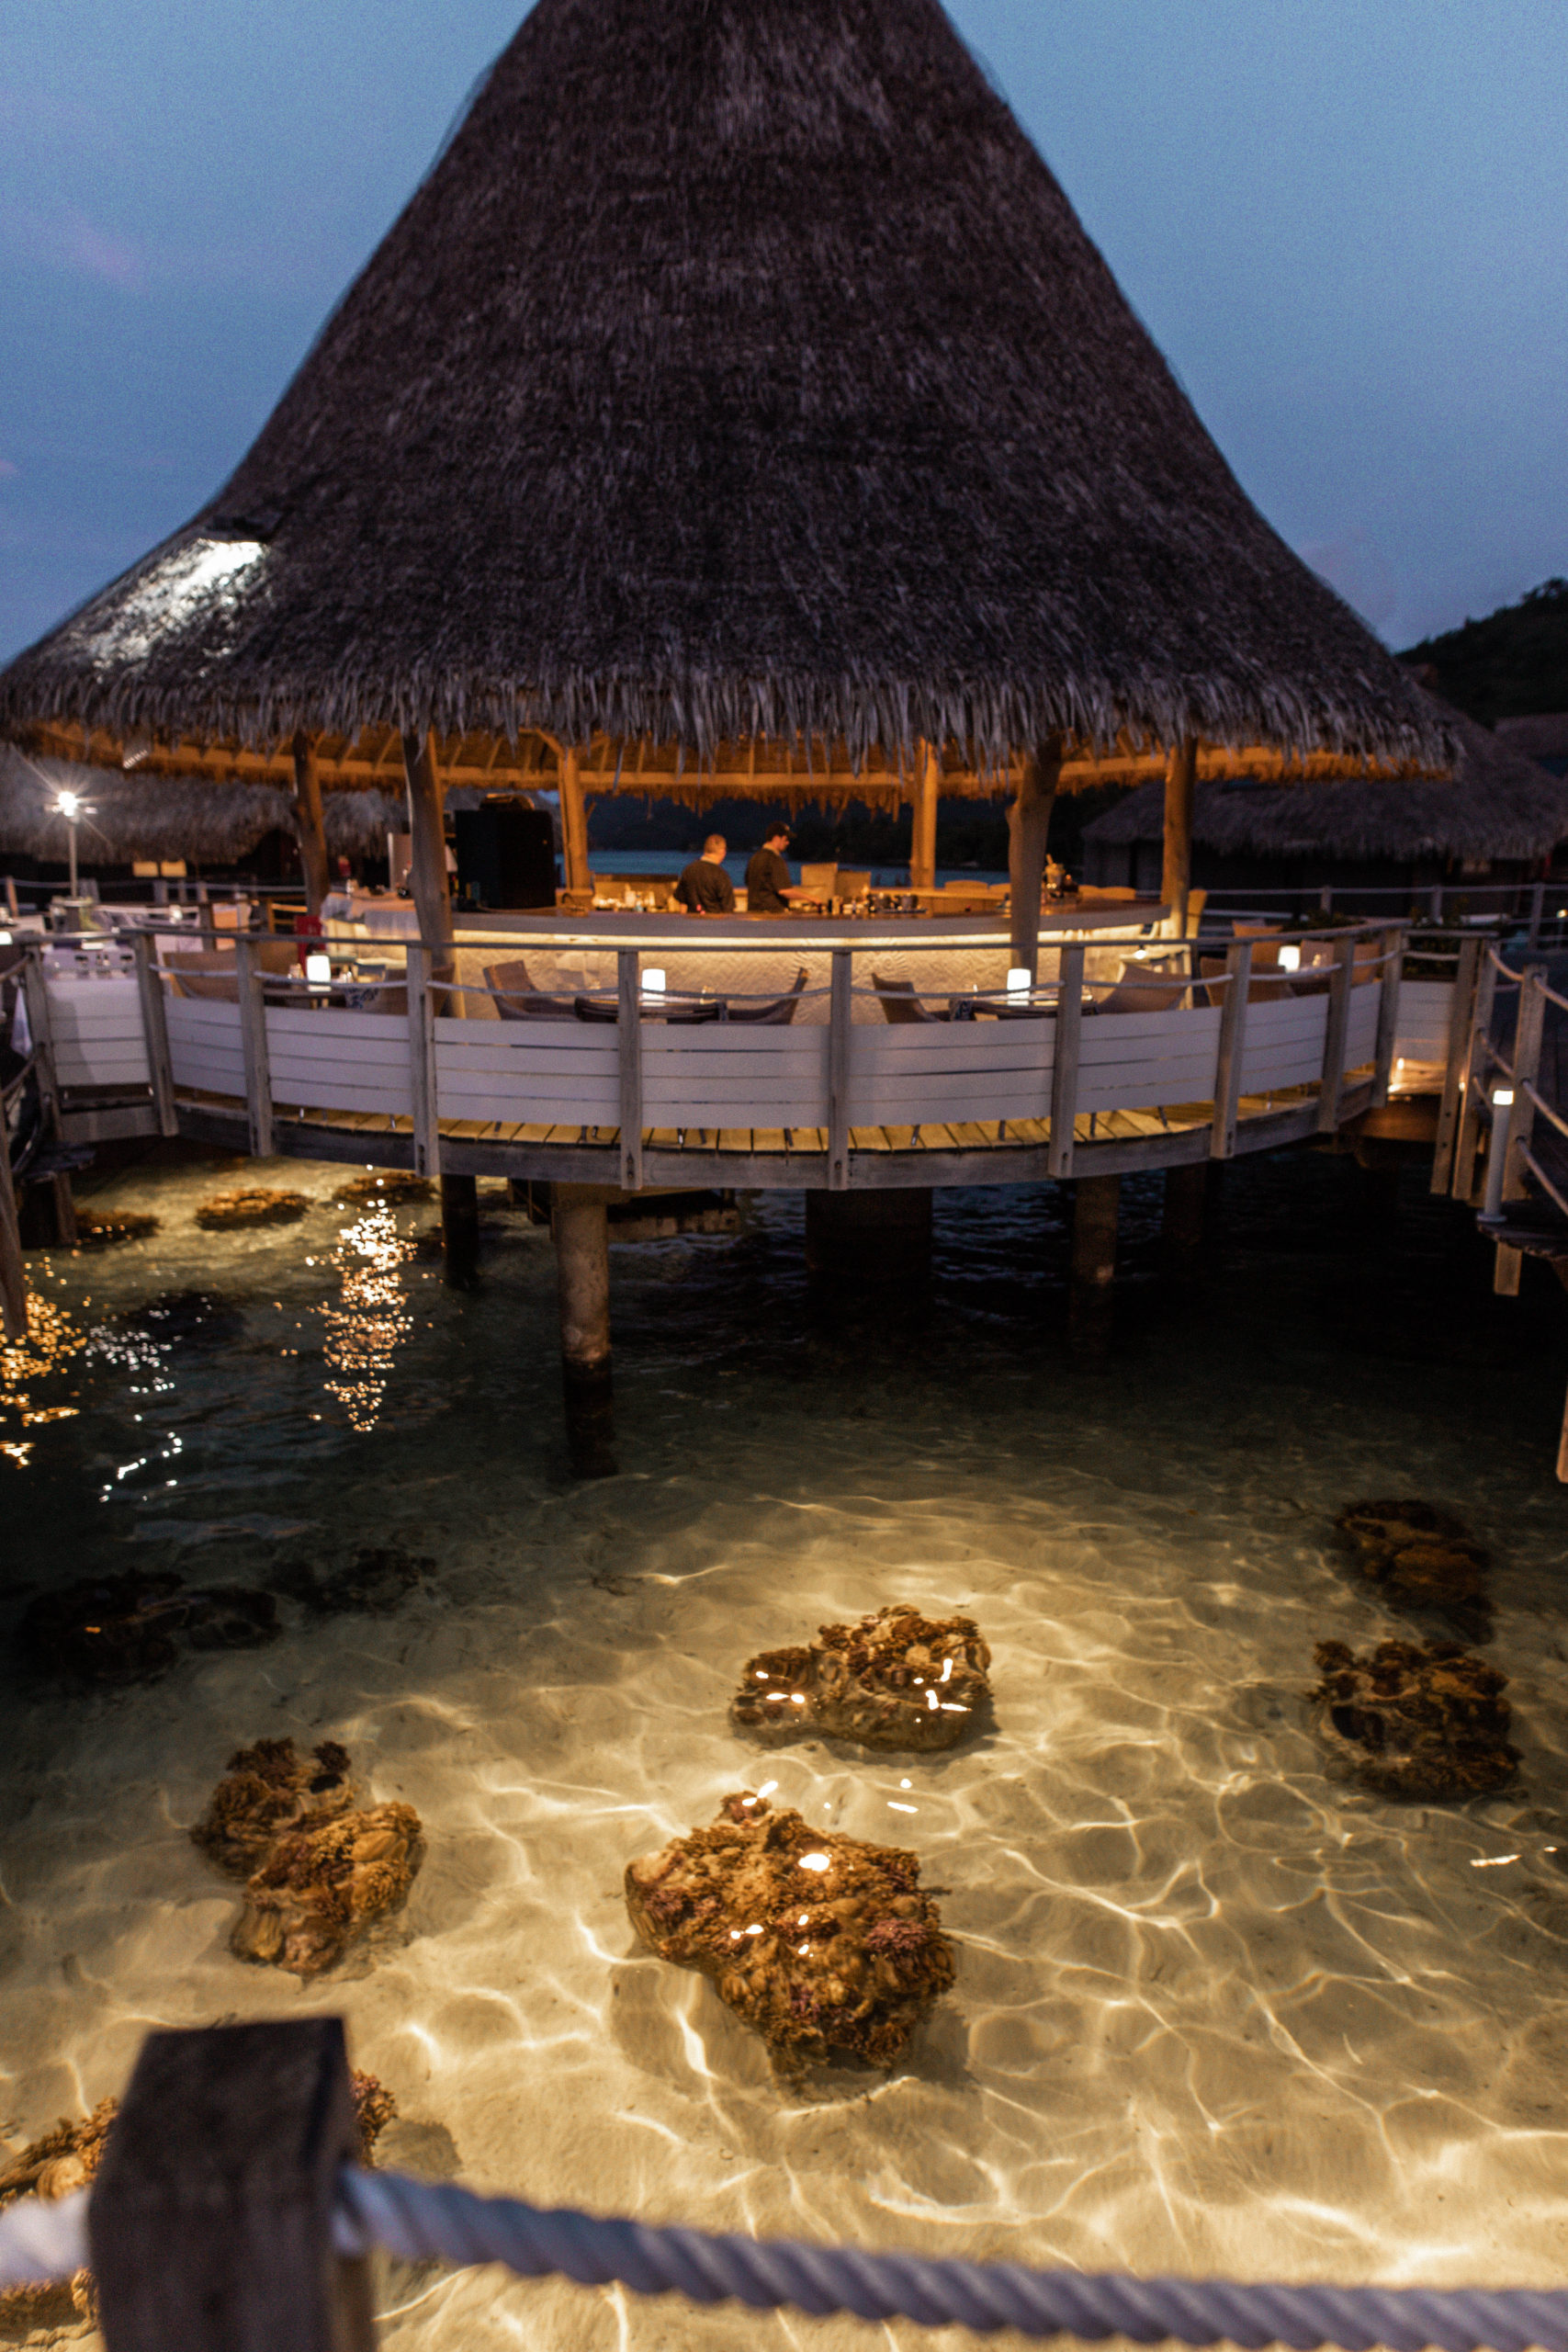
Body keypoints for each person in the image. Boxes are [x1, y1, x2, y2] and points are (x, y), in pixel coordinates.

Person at [744, 824, 809, 917]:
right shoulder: (775, 859)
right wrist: (811, 898)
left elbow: (748, 882)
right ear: (776, 838)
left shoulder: (754, 858)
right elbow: (784, 891)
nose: (788, 843)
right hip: (772, 914)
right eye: (785, 839)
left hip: (753, 912)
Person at [673, 834, 736, 916]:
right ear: (722, 851)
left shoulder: (689, 870)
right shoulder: (721, 874)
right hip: (714, 924)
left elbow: (682, 901)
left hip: (691, 923)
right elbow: (728, 908)